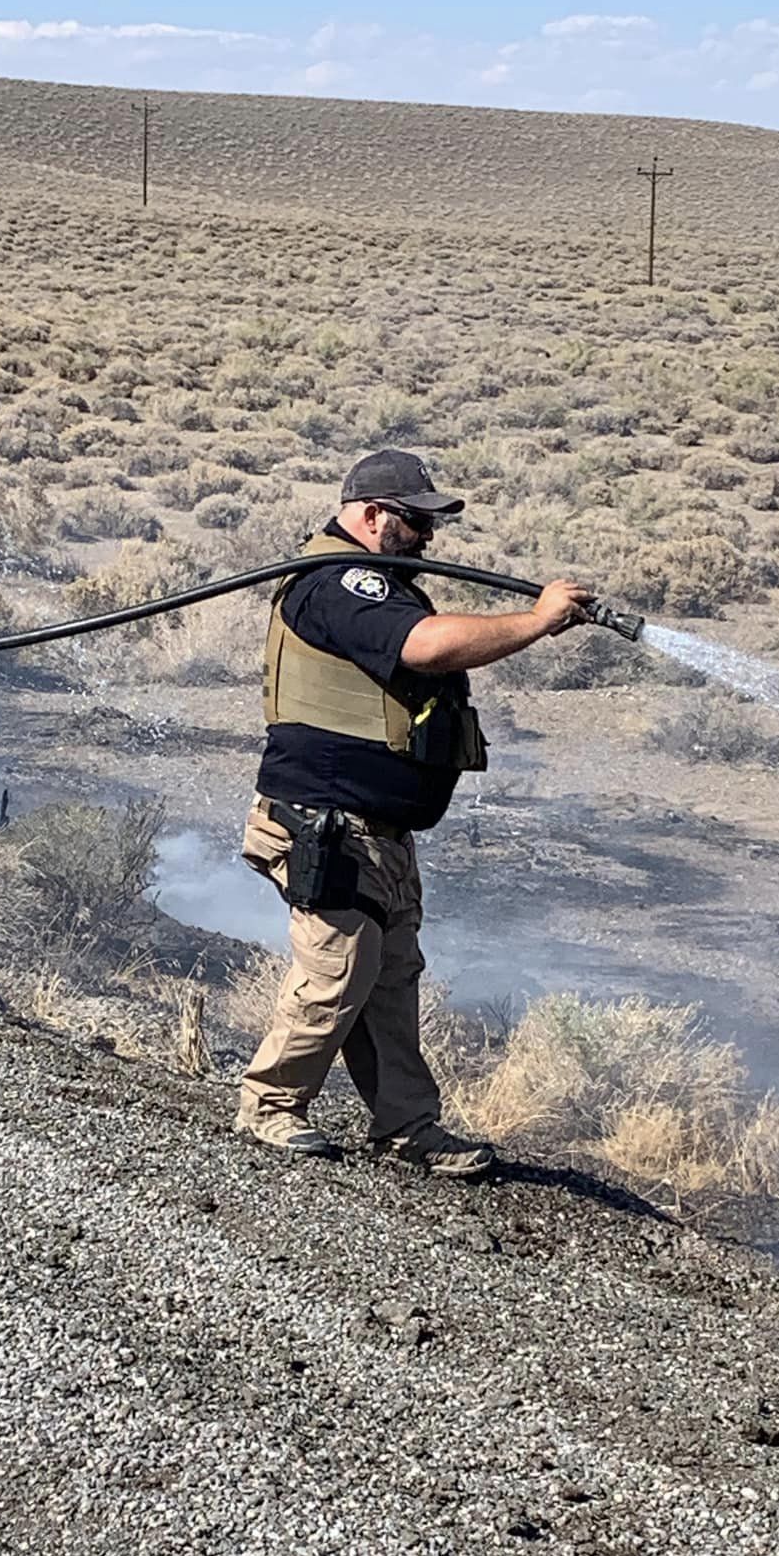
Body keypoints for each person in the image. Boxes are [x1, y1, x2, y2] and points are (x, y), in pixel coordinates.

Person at [235, 449, 594, 1176]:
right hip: (326, 821)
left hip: (376, 829)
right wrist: (535, 620)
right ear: (372, 516)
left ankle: (408, 1125)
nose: (428, 537)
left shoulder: (374, 581)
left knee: (389, 977)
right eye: (416, 520)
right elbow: (425, 647)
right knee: (338, 969)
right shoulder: (339, 581)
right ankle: (268, 1106)